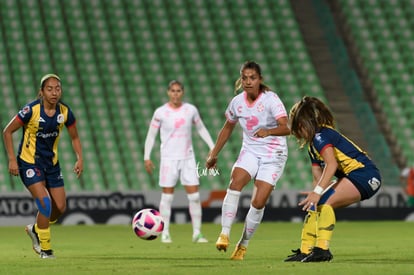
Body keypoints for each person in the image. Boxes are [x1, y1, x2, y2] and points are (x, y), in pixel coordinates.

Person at [205, 61, 290, 260]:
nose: (248, 81)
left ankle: (242, 245)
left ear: (260, 80)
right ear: (240, 79)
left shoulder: (271, 99)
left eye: (252, 78)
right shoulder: (237, 102)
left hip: (273, 155)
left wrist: (268, 131)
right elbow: (228, 127)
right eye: (244, 78)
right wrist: (213, 154)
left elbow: (287, 128)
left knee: (258, 202)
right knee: (235, 183)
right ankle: (224, 234)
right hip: (250, 151)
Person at [285, 96, 382, 262]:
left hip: (366, 175)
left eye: (297, 130)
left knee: (324, 202)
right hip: (355, 176)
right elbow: (318, 177)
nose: (297, 135)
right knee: (315, 205)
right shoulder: (312, 146)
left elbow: (331, 164)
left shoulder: (320, 136)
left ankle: (322, 250)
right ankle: (305, 250)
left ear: (301, 125)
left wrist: (318, 193)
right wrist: (315, 193)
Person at [3, 74, 83, 259]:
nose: (54, 92)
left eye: (57, 88)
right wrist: (12, 160)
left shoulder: (65, 112)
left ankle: (35, 229)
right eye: (50, 89)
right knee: (44, 203)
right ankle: (45, 250)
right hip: (29, 162)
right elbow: (7, 131)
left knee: (60, 207)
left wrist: (80, 158)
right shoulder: (31, 110)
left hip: (52, 165)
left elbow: (75, 137)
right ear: (41, 92)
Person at [144, 80, 215, 244]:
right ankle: (165, 232)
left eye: (178, 91)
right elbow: (151, 135)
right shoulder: (160, 112)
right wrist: (146, 156)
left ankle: (197, 233)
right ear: (168, 92)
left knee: (195, 196)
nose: (175, 93)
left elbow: (201, 128)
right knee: (167, 198)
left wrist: (212, 148)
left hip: (187, 158)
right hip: (168, 159)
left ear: (182, 92)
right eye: (173, 91)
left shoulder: (190, 110)